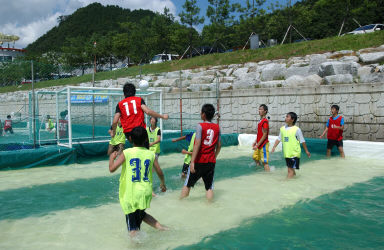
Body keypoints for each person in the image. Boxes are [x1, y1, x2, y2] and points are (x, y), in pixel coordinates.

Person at [109, 126, 167, 237]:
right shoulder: (151, 154)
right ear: (146, 139)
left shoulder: (127, 153)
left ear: (130, 138)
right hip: (145, 193)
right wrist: (163, 184)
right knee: (141, 215)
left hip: (131, 195)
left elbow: (112, 169)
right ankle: (162, 228)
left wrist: (111, 158)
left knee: (133, 230)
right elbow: (160, 172)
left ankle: (137, 245)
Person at [180, 104, 221, 201]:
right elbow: (219, 146)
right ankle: (210, 206)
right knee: (209, 187)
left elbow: (197, 144)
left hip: (199, 160)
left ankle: (180, 202)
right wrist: (214, 156)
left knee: (188, 184)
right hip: (211, 161)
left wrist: (193, 162)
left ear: (203, 115)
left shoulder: (200, 126)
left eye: (201, 112)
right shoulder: (217, 128)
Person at [271, 112, 311, 179]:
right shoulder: (282, 129)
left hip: (294, 153)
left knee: (290, 170)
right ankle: (295, 182)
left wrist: (306, 151)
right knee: (291, 170)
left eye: (287, 117)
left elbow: (302, 141)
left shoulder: (297, 129)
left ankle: (286, 182)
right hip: (287, 153)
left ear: (292, 119)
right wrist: (274, 147)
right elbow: (279, 139)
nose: (285, 118)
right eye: (286, 116)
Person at [146, 117, 167, 195]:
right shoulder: (147, 129)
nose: (152, 120)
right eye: (151, 119)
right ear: (150, 121)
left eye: (154, 120)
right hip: (148, 151)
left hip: (155, 151)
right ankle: (161, 184)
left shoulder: (158, 129)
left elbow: (158, 139)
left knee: (152, 168)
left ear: (156, 121)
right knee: (150, 168)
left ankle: (161, 184)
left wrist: (151, 144)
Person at [252, 104, 270, 172]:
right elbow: (259, 133)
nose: (259, 111)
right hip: (259, 143)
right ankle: (260, 170)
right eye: (259, 109)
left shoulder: (265, 121)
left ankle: (268, 175)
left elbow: (265, 134)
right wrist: (255, 141)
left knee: (265, 162)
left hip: (264, 144)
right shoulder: (260, 121)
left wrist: (257, 145)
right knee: (255, 157)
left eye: (261, 109)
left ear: (265, 111)